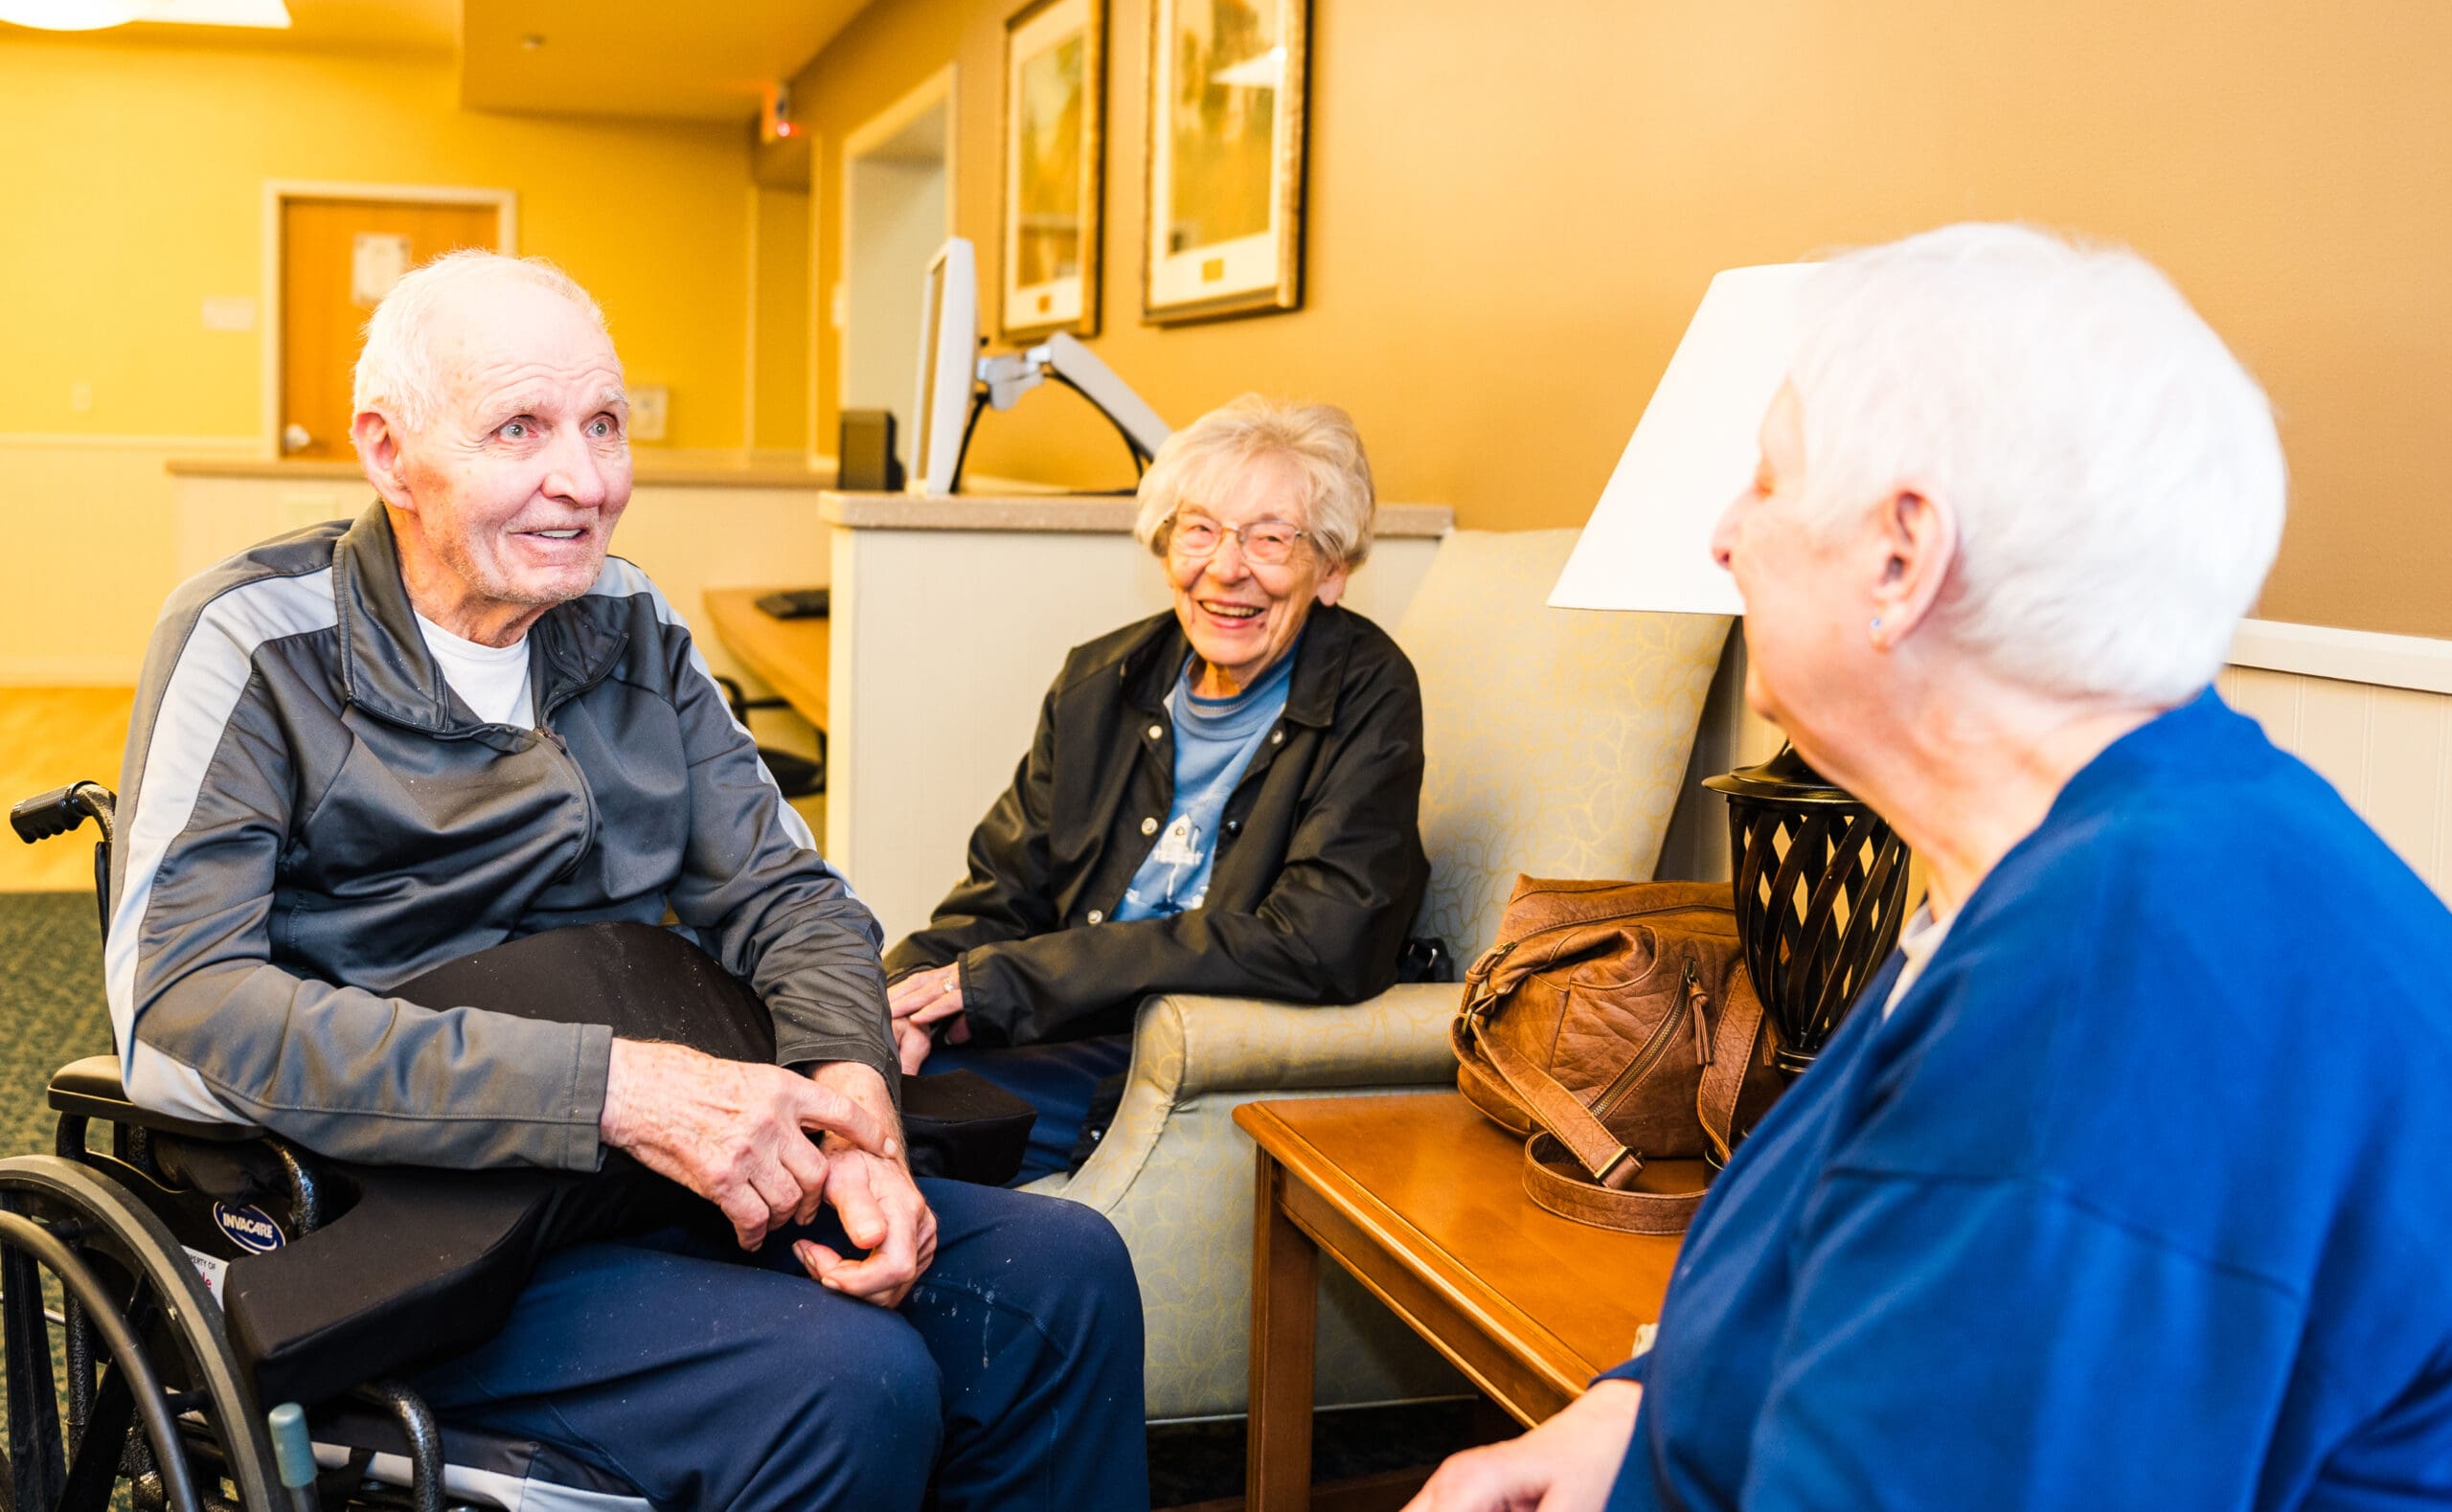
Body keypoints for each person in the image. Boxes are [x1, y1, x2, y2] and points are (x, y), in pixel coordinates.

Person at [1407, 224, 2452, 1511]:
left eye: (1767, 481)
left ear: (1902, 555)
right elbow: (1845, 1266)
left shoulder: (2106, 984)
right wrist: (1629, 1415)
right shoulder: (2114, 850)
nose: (1724, 533)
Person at [109, 250, 1147, 1512]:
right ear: (388, 452)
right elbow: (183, 1010)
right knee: (844, 1378)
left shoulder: (629, 621)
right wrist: (610, 1090)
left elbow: (791, 896)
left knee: (1064, 1275)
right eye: (520, 428)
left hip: (650, 1171)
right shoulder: (255, 640)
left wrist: (851, 1106)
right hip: (403, 1211)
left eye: (603, 423)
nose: (586, 480)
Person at [886, 395, 1428, 1181]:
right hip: (1057, 1026)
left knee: (896, 1123)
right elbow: (999, 897)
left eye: (1271, 538)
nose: (1226, 568)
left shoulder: (1369, 694)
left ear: (1333, 569)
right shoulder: (1099, 681)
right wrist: (894, 999)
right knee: (833, 1068)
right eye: (1199, 529)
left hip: (1185, 1062)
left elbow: (1319, 942)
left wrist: (1011, 982)